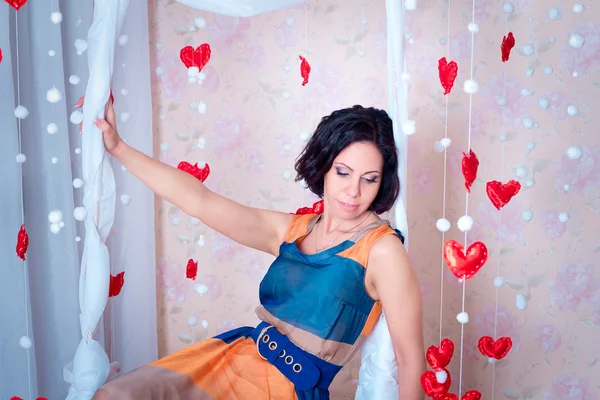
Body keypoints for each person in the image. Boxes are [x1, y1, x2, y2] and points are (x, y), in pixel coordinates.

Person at [82, 96, 425, 400]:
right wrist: (118, 148)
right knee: (115, 395)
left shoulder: (382, 250)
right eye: (343, 172)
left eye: (369, 178)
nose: (353, 191)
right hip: (232, 357)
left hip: (286, 388)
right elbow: (198, 200)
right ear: (324, 167)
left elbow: (410, 360)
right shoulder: (292, 230)